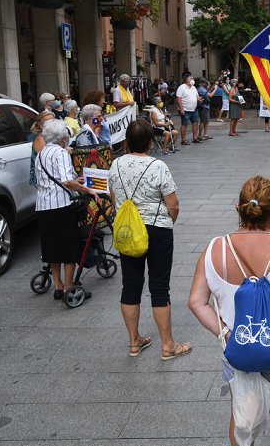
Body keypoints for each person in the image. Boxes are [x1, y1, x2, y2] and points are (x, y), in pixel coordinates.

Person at [188, 176, 270, 446]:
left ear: (238, 207)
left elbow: (197, 302)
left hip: (236, 343)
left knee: (240, 409)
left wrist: (227, 333)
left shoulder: (214, 249)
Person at [108, 119, 190, 360]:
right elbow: (172, 204)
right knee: (159, 287)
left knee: (130, 284)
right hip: (157, 229)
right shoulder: (158, 166)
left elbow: (114, 197)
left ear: (127, 141)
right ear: (149, 141)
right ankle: (168, 345)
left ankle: (134, 342)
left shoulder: (116, 165)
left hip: (128, 230)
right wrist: (168, 222)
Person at [35, 119, 100, 301]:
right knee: (69, 247)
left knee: (52, 248)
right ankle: (69, 286)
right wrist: (88, 190)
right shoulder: (61, 153)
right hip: (61, 205)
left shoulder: (41, 153)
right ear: (63, 137)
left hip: (43, 205)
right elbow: (66, 182)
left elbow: (53, 178)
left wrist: (73, 179)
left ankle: (58, 285)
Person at [29, 111, 56, 188]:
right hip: (45, 178)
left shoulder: (49, 136)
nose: (51, 124)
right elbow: (46, 159)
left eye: (53, 121)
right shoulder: (40, 139)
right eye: (47, 122)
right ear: (39, 125)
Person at [176, 75, 201, 144]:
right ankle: (183, 140)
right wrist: (181, 109)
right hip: (185, 109)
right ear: (187, 80)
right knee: (184, 124)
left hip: (194, 109)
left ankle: (195, 138)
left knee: (195, 123)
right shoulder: (181, 87)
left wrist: (199, 99)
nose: (193, 80)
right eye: (191, 78)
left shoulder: (194, 88)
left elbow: (197, 96)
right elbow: (178, 98)